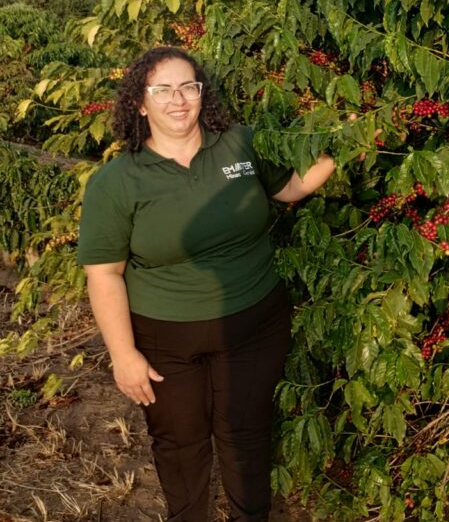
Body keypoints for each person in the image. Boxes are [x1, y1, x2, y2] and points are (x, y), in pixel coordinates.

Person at [77, 46, 335, 522]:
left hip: (254, 322)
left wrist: (346, 139)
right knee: (180, 443)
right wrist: (123, 354)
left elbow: (292, 187)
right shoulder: (117, 182)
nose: (178, 100)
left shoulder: (240, 144)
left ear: (202, 93)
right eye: (162, 90)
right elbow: (105, 274)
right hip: (165, 336)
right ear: (140, 102)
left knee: (246, 434)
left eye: (188, 87)